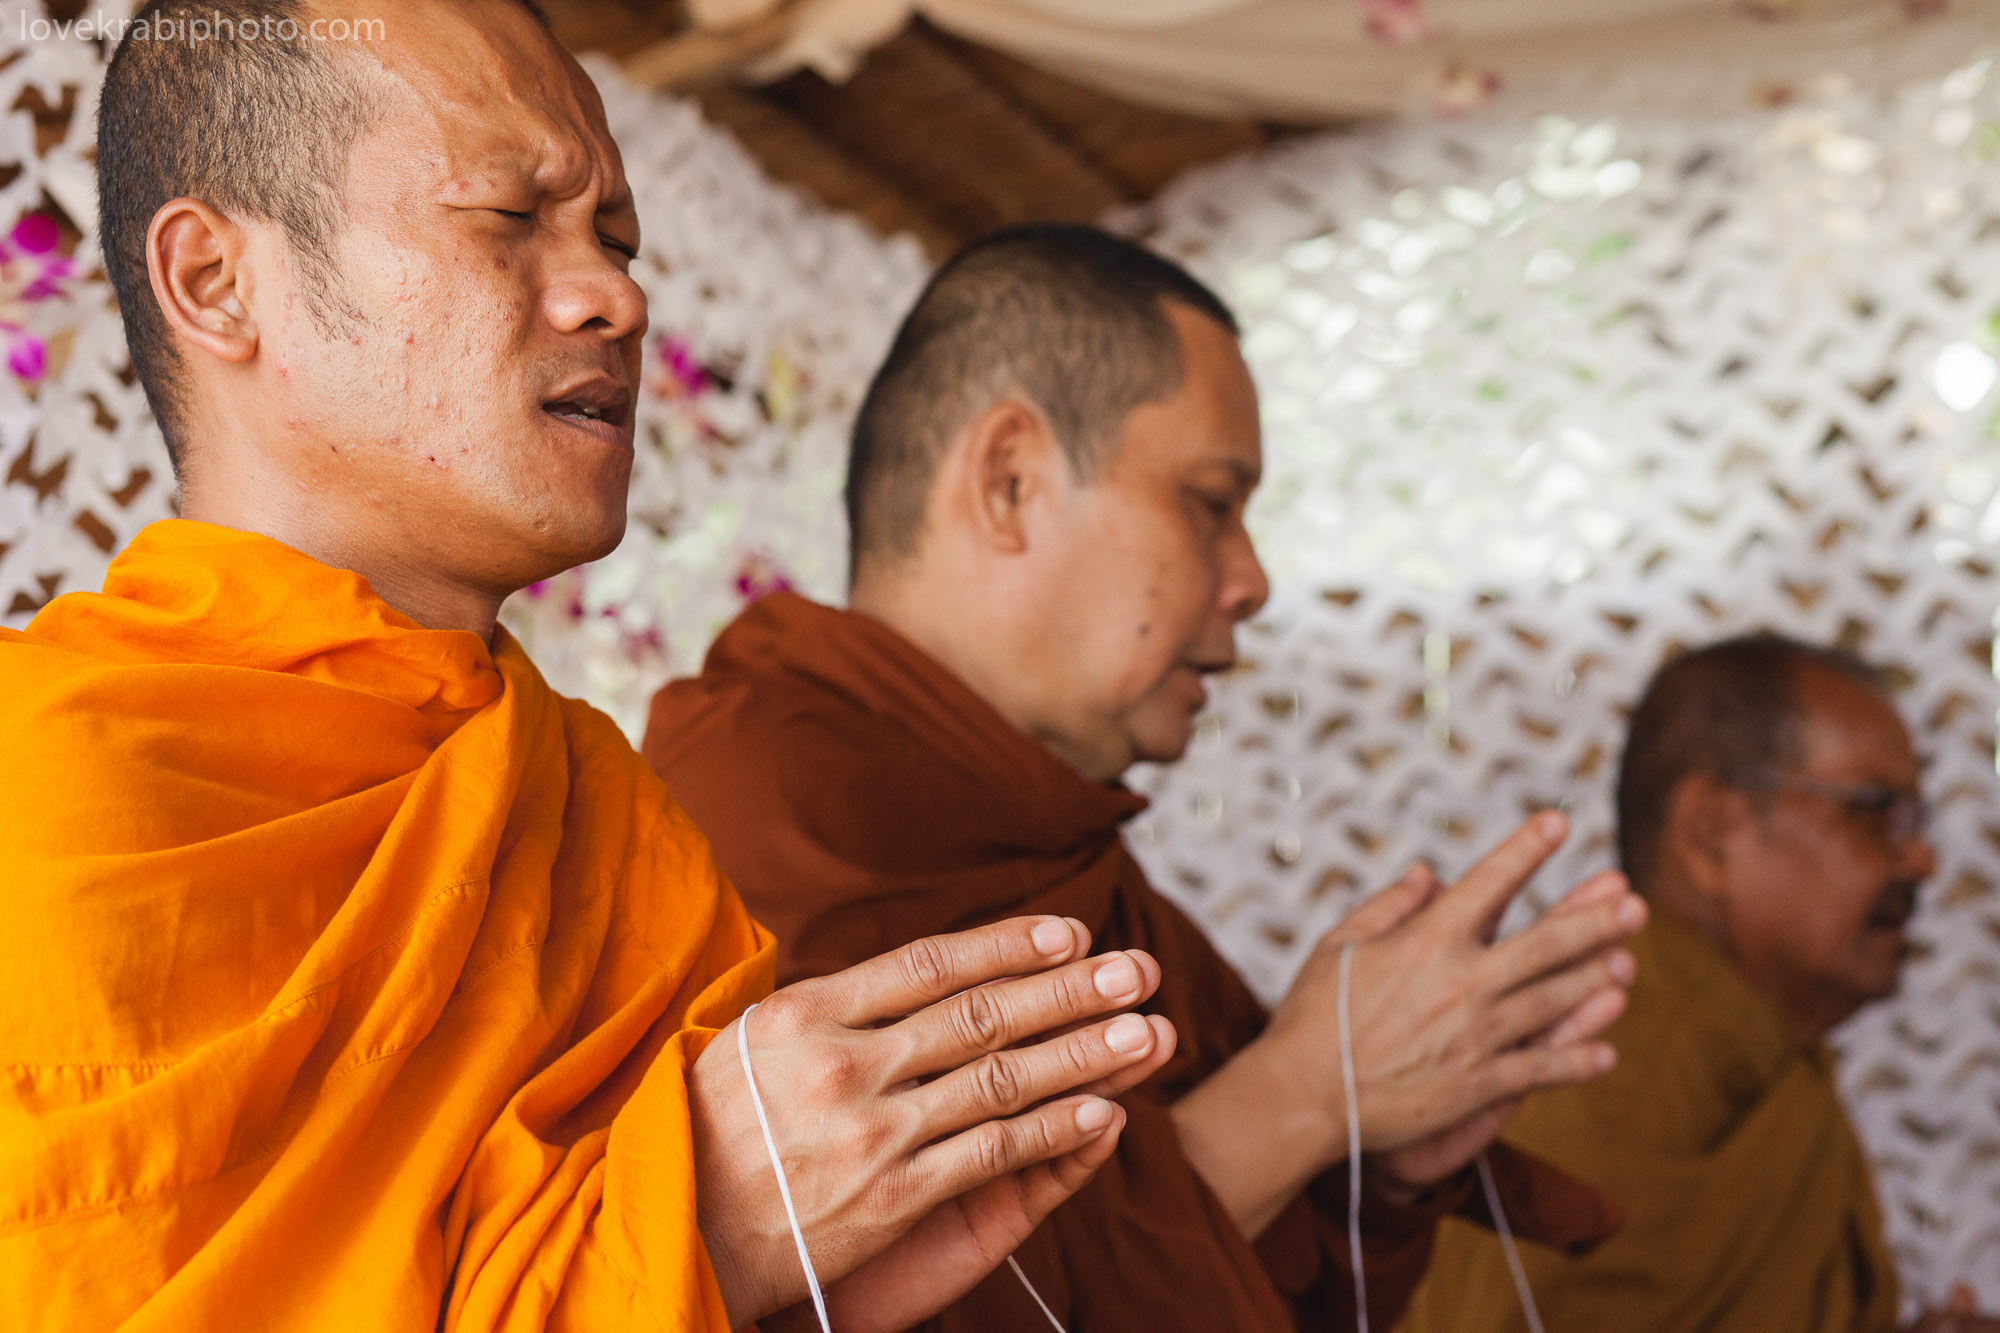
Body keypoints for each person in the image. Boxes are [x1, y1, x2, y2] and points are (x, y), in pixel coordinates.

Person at [0, 5, 1188, 1329]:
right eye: (510, 217)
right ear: (218, 281)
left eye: (616, 240)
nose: (615, 294)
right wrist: (698, 1230)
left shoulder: (601, 819)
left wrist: (779, 1288)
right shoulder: (44, 793)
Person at [643, 223, 1651, 1331]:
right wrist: (1310, 1091)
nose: (1252, 579)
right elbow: (865, 1293)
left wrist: (1381, 1161)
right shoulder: (756, 808)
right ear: (1011, 480)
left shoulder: (1060, 849)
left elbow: (1266, 1285)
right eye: (1210, 502)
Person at [1401, 634, 1999, 1333]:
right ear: (1711, 833)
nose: (1921, 859)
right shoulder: (1575, 1063)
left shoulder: (1778, 1073)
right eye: (1876, 810)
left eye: (1916, 821)